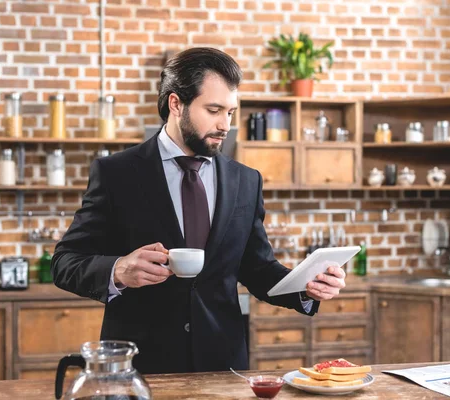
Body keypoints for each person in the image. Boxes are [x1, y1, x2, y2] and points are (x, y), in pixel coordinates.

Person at [52, 47, 346, 374]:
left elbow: (258, 269)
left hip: (222, 368)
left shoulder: (245, 181)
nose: (225, 125)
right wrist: (119, 269)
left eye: (231, 112)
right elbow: (65, 261)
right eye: (214, 110)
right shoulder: (116, 173)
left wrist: (304, 285)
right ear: (176, 104)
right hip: (139, 369)